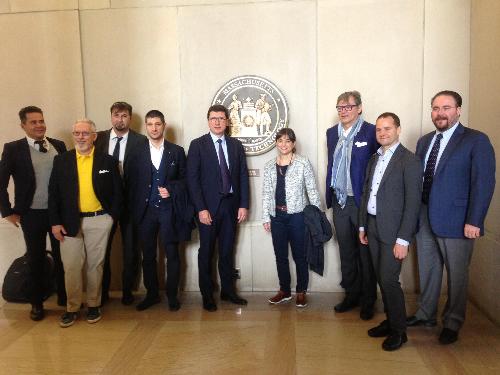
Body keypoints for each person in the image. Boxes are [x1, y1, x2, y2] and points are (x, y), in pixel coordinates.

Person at [407, 90, 495, 345]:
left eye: (446, 107)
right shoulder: (424, 142)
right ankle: (426, 315)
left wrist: (475, 221)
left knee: (457, 275)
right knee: (429, 270)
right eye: (435, 108)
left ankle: (453, 322)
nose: (440, 113)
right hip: (425, 216)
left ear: (458, 110)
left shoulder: (476, 140)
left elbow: (484, 183)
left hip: (458, 221)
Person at [49, 119, 122, 327]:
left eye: (85, 133)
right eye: (77, 133)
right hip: (68, 222)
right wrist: (55, 222)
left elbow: (118, 192)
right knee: (71, 266)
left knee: (95, 266)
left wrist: (111, 217)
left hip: (99, 220)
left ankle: (93, 305)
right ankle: (72, 308)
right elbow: (53, 194)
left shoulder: (107, 161)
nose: (81, 137)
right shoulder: (62, 161)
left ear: (94, 136)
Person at [358, 113, 422, 351]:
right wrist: (363, 225)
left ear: (398, 130)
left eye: (387, 128)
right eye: (379, 130)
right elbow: (367, 193)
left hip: (394, 231)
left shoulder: (410, 161)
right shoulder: (375, 158)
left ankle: (399, 331)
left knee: (389, 279)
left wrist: (403, 239)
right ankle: (390, 321)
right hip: (373, 226)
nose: (382, 133)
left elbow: (413, 203)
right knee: (380, 278)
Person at [0, 106, 67, 321]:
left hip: (58, 214)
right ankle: (36, 303)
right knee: (36, 259)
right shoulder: (13, 149)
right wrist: (8, 212)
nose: (39, 125)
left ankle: (65, 299)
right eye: (33, 122)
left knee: (63, 257)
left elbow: (69, 180)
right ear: (23, 125)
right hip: (31, 215)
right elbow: (1, 183)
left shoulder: (59, 145)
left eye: (41, 121)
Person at [126, 110, 191, 312]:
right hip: (145, 213)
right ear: (146, 126)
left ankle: (172, 296)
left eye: (157, 124)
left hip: (168, 211)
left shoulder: (177, 151)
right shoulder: (136, 151)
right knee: (148, 256)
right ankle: (152, 294)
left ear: (164, 125)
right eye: (150, 124)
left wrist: (171, 190)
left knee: (172, 254)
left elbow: (185, 180)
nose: (154, 128)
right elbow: (130, 182)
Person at [186, 104, 249, 312]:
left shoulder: (235, 145)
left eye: (222, 118)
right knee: (206, 252)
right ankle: (207, 295)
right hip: (208, 209)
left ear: (227, 121)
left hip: (231, 206)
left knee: (227, 251)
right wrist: (200, 209)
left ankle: (228, 291)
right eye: (214, 118)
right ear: (208, 121)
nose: (218, 122)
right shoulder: (197, 145)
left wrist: (243, 204)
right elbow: (192, 181)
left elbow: (242, 177)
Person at [325, 91, 378, 320]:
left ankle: (368, 300)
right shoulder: (331, 133)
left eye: (348, 106)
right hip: (340, 202)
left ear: (359, 108)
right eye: (340, 107)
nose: (344, 111)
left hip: (361, 201)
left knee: (364, 253)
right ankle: (351, 295)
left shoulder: (371, 131)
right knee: (346, 251)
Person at [94, 101, 146, 306]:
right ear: (111, 117)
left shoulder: (141, 141)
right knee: (102, 250)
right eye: (116, 115)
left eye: (124, 116)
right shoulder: (98, 138)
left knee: (130, 251)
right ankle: (103, 292)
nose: (120, 119)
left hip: (131, 204)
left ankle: (127, 290)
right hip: (104, 205)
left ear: (130, 118)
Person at [262, 128, 321, 308]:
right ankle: (285, 291)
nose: (284, 144)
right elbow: (266, 193)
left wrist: (315, 215)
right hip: (277, 216)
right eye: (280, 141)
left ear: (293, 144)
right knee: (280, 256)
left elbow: (312, 190)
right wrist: (266, 216)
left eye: (287, 141)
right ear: (276, 143)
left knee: (299, 256)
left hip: (297, 216)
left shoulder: (303, 163)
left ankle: (301, 291)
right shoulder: (270, 165)